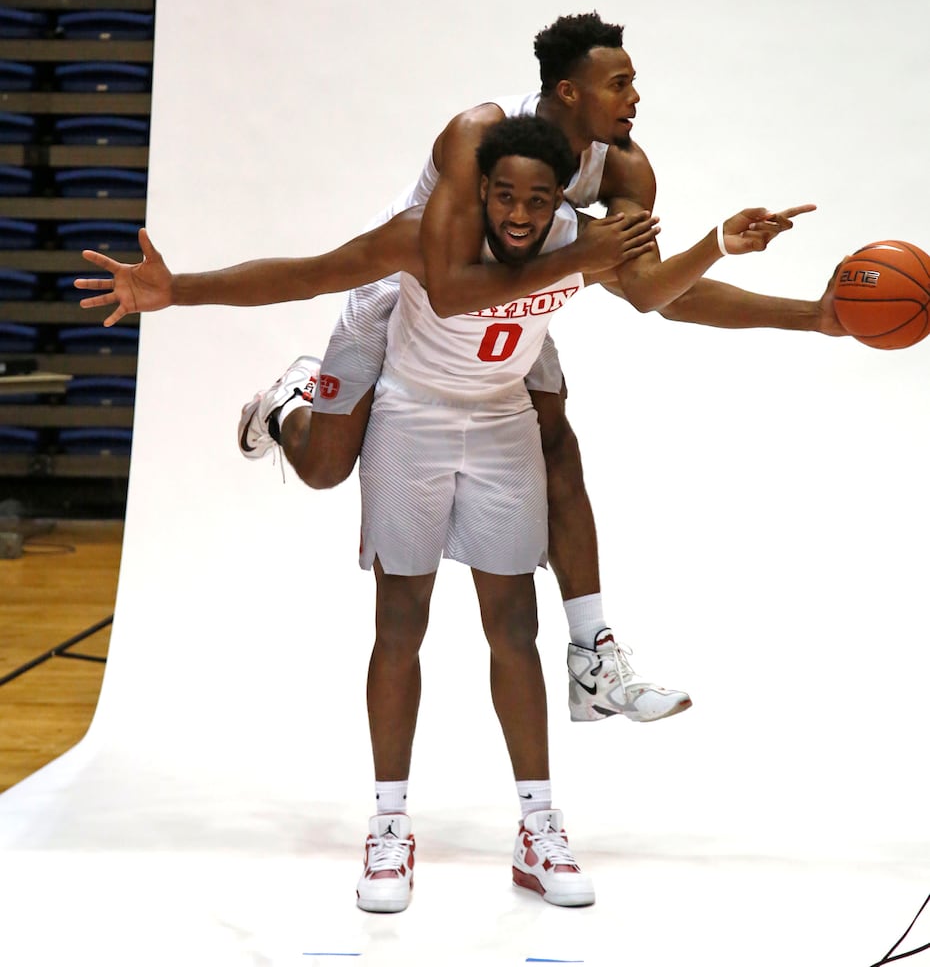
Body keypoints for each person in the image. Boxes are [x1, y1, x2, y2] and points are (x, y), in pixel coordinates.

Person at [76, 113, 815, 912]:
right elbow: (308, 274)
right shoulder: (430, 238)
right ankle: (389, 824)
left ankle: (539, 828)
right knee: (401, 620)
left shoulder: (579, 235)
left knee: (513, 626)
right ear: (481, 195)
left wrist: (716, 242)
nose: (521, 214)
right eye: (504, 197)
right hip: (407, 418)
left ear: (559, 198)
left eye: (538, 198)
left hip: (500, 422)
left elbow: (663, 294)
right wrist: (178, 290)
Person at [77, 11, 837, 728]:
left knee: (557, 444)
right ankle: (289, 407)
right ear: (568, 92)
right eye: (621, 83)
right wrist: (179, 292)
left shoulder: (625, 171)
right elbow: (432, 287)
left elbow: (652, 295)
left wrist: (805, 309)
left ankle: (593, 656)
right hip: (408, 300)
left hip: (511, 309)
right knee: (324, 469)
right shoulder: (477, 135)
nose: (636, 97)